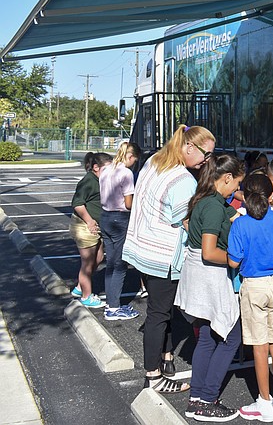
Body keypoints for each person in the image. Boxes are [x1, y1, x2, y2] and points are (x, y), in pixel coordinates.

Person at [123, 124, 215, 394]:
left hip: (143, 248)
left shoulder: (154, 160)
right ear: (189, 147)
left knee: (162, 309)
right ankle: (153, 375)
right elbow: (185, 221)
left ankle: (166, 357)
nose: (206, 160)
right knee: (159, 314)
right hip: (163, 256)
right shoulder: (183, 180)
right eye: (205, 154)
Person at [176, 153, 244, 422]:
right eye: (236, 183)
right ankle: (207, 399)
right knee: (231, 337)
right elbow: (208, 251)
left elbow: (237, 217)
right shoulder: (215, 206)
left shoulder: (207, 200)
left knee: (206, 336)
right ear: (226, 178)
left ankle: (196, 398)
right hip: (210, 275)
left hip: (195, 276)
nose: (236, 189)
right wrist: (234, 260)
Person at [227, 173, 273, 422]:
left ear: (244, 197)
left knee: (260, 348)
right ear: (271, 196)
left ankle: (265, 402)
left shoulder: (240, 224)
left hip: (254, 285)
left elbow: (233, 260)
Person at [98, 141, 141, 320]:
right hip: (120, 218)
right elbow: (129, 202)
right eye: (135, 160)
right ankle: (114, 307)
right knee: (120, 265)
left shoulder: (105, 170)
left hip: (105, 216)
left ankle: (111, 302)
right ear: (130, 157)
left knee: (111, 263)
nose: (134, 163)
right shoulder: (126, 173)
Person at [69, 151, 113, 308]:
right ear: (96, 167)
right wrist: (89, 221)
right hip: (84, 226)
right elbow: (77, 204)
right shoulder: (88, 181)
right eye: (107, 169)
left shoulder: (101, 180)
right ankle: (86, 296)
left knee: (99, 258)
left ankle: (80, 288)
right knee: (87, 264)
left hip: (96, 226)